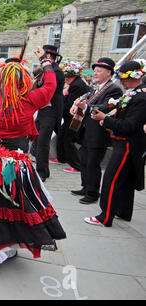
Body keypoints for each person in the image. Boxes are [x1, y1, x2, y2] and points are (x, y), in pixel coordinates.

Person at [0, 39, 66, 271]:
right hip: (16, 168)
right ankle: (3, 246)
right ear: (23, 82)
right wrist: (46, 61)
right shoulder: (29, 101)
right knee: (16, 204)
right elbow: (50, 87)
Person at [84, 59, 146, 227]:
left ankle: (105, 216)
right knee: (125, 181)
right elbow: (122, 117)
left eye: (123, 79)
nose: (121, 82)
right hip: (125, 143)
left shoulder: (141, 97)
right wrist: (109, 120)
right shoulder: (134, 93)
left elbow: (130, 126)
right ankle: (123, 212)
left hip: (127, 145)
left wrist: (105, 119)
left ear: (133, 78)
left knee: (111, 180)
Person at [70, 57, 123, 204]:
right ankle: (85, 187)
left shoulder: (114, 90)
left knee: (93, 163)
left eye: (99, 71)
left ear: (108, 73)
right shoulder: (94, 87)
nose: (95, 73)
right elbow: (86, 101)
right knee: (85, 160)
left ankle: (92, 193)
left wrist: (84, 107)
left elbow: (107, 107)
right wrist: (77, 105)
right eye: (95, 70)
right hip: (87, 130)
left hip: (99, 133)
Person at [31, 44, 65, 182]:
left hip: (51, 110)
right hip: (43, 109)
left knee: (43, 142)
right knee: (37, 140)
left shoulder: (55, 72)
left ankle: (42, 172)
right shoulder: (47, 70)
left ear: (48, 57)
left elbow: (47, 89)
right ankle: (42, 169)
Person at [56, 61, 90, 173]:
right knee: (61, 135)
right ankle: (62, 158)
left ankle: (77, 165)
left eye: (67, 76)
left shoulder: (77, 85)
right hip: (71, 117)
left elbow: (70, 103)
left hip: (75, 117)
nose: (65, 79)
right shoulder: (75, 84)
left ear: (73, 76)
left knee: (68, 139)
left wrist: (61, 104)